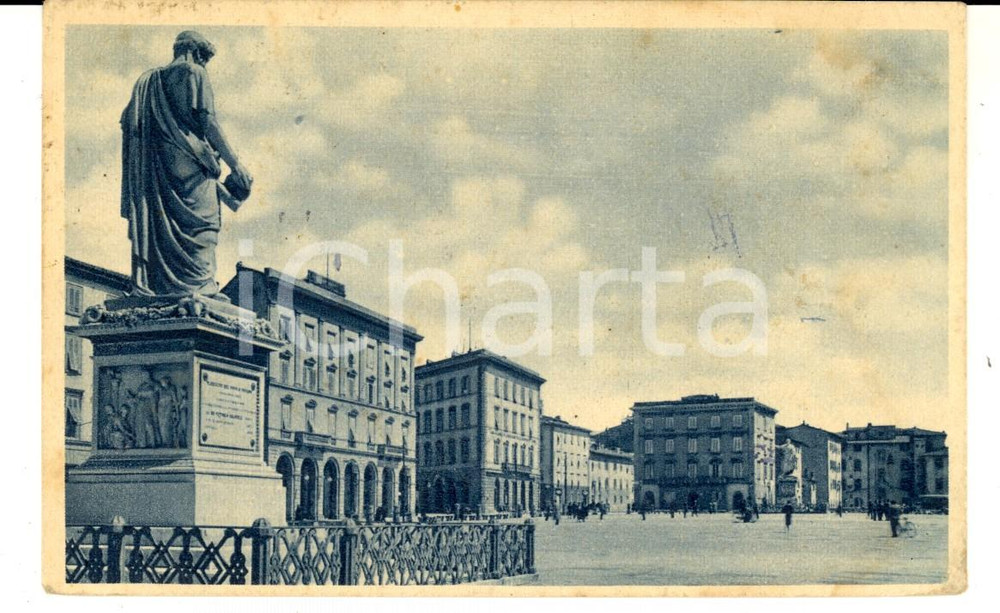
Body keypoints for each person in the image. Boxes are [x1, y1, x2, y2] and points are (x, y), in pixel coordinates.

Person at [120, 30, 253, 297]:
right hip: (194, 165)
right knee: (202, 226)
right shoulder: (195, 73)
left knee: (162, 226)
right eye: (204, 59)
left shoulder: (147, 81)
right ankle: (200, 285)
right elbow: (208, 122)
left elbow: (129, 123)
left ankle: (165, 286)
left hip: (161, 169)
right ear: (195, 53)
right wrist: (236, 164)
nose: (204, 66)